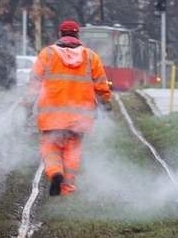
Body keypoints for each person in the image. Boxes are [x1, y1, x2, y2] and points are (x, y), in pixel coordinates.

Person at [23, 19, 112, 196]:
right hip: (79, 119)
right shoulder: (90, 56)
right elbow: (101, 85)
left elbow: (34, 84)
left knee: (50, 148)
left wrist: (27, 106)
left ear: (60, 35)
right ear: (77, 35)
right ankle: (67, 188)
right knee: (72, 150)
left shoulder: (47, 54)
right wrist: (106, 103)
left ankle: (55, 173)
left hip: (50, 116)